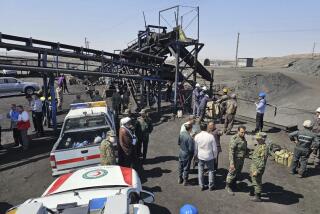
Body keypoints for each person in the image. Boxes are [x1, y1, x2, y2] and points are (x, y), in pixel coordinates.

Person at [250, 132, 274, 202]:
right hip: (254, 166)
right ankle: (255, 192)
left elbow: (262, 162)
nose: (257, 140)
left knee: (257, 182)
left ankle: (258, 197)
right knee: (255, 180)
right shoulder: (259, 145)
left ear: (262, 139)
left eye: (258, 139)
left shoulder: (263, 148)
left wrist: (257, 171)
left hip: (258, 168)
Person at [194, 123, 217, 191]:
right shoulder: (210, 136)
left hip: (200, 156)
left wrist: (195, 155)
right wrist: (215, 156)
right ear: (206, 128)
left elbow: (195, 148)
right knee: (211, 171)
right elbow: (214, 149)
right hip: (209, 156)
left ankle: (201, 185)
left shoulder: (197, 136)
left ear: (200, 128)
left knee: (200, 171)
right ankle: (211, 186)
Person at [225, 125, 248, 195]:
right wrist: (231, 163)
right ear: (238, 131)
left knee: (238, 172)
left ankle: (234, 184)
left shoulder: (243, 138)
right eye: (242, 132)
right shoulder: (235, 139)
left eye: (244, 132)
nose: (243, 134)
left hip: (241, 159)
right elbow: (231, 152)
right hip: (235, 159)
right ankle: (228, 186)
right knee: (232, 172)